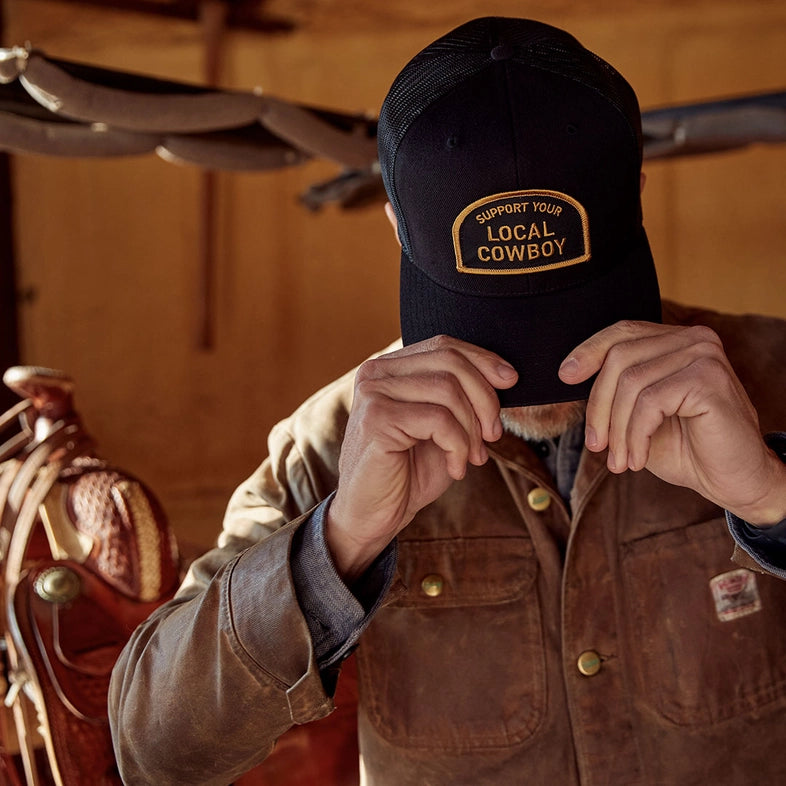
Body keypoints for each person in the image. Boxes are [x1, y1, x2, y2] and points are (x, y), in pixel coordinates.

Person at [109, 17, 786, 785]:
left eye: (572, 309)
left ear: (634, 193)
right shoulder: (334, 443)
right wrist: (340, 540)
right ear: (397, 227)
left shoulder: (767, 377)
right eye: (495, 324)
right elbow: (152, 750)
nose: (546, 370)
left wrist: (773, 497)